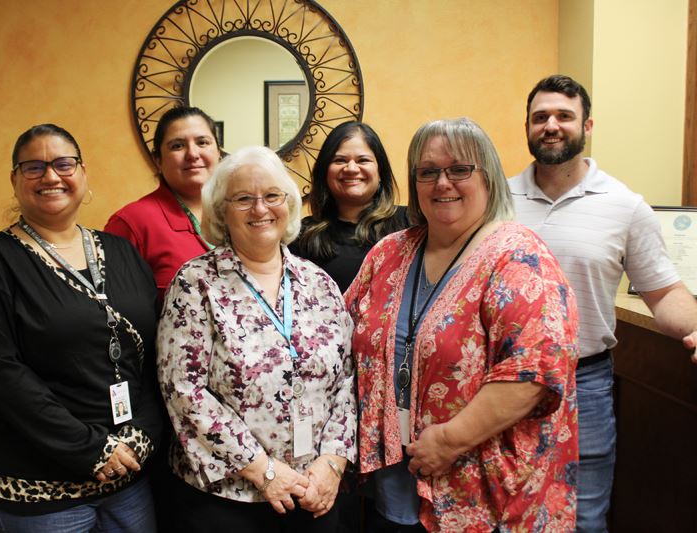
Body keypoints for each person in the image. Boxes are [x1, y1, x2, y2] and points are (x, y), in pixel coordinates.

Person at [346, 118, 579, 532]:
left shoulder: (518, 257)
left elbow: (535, 369)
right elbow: (339, 333)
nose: (442, 183)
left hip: (479, 489)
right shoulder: (390, 252)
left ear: (488, 177)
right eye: (428, 171)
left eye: (459, 169)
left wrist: (450, 441)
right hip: (392, 483)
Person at [0, 124, 164, 531]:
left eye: (64, 164)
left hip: (127, 474)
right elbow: (3, 375)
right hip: (38, 485)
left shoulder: (121, 252)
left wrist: (142, 435)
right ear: (14, 181)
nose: (51, 176)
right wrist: (92, 450)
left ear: (83, 175)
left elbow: (152, 356)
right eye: (33, 167)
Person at [508, 74, 697, 532]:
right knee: (507, 508)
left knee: (584, 515)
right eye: (540, 117)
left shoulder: (625, 206)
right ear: (528, 127)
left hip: (585, 382)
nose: (551, 125)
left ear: (587, 126)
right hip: (504, 382)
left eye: (564, 116)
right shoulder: (498, 198)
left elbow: (665, 292)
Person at [157, 146, 356, 532]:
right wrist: (263, 471)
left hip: (315, 491)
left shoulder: (319, 283)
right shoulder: (195, 283)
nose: (260, 209)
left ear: (289, 204)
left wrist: (332, 462)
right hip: (229, 498)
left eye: (271, 196)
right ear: (220, 212)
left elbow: (349, 378)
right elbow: (183, 389)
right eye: (243, 199)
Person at [105, 106, 222, 300]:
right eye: (177, 146)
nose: (192, 154)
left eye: (202, 142)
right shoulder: (132, 223)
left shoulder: (240, 212)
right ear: (158, 160)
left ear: (218, 152)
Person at [290, 121, 409, 293]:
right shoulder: (302, 236)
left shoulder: (410, 224)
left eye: (363, 160)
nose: (351, 168)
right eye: (340, 160)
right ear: (324, 172)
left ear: (380, 172)